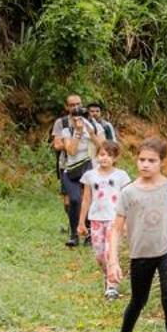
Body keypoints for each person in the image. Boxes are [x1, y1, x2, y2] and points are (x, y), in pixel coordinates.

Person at [107, 138, 167, 332]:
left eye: (152, 160)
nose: (145, 164)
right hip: (140, 253)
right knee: (138, 301)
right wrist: (112, 260)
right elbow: (116, 228)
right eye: (142, 160)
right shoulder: (128, 192)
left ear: (162, 162)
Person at [79, 141, 129, 299]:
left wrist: (127, 221)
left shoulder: (121, 176)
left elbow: (128, 199)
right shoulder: (90, 176)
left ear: (115, 158)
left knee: (109, 251)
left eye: (109, 155)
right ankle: (109, 274)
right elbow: (86, 199)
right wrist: (81, 222)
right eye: (102, 154)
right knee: (99, 254)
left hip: (114, 218)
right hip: (96, 218)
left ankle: (112, 286)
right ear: (96, 156)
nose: (105, 158)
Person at [50, 94, 95, 247]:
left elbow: (99, 140)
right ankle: (74, 228)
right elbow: (57, 145)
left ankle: (86, 231)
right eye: (72, 104)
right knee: (71, 200)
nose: (75, 106)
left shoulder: (88, 121)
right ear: (66, 106)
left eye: (78, 103)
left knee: (85, 198)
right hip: (67, 165)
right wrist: (70, 139)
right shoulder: (61, 123)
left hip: (87, 165)